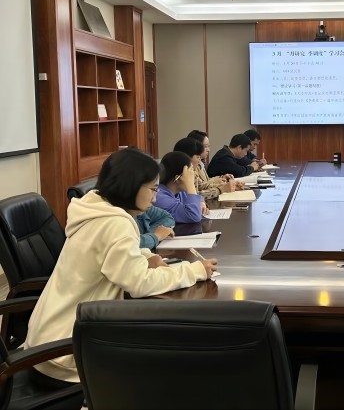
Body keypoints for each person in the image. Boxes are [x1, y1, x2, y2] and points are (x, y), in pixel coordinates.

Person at [24, 148, 217, 383]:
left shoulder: (96, 209)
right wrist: (194, 271)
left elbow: (111, 252)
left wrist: (144, 256)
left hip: (46, 338)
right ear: (131, 186)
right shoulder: (115, 224)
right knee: (168, 359)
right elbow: (140, 283)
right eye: (153, 189)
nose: (155, 198)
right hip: (66, 354)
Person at [174, 137, 241, 199]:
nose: (199, 160)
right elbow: (196, 196)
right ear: (186, 157)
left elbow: (202, 185)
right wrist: (220, 189)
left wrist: (227, 185)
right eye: (198, 157)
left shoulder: (192, 170)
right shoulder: (181, 176)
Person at [155, 151, 208, 222]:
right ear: (178, 178)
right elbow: (193, 215)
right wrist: (190, 184)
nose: (194, 175)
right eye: (190, 172)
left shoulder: (179, 191)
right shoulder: (159, 197)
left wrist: (202, 203)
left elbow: (196, 197)